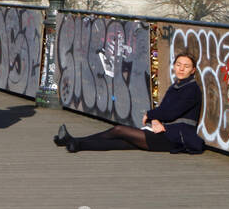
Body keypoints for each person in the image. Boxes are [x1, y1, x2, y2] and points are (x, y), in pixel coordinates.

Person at [55, 53, 205, 154]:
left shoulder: (191, 89)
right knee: (119, 142)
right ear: (174, 66)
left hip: (175, 138)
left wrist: (150, 114)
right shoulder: (177, 86)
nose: (181, 69)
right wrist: (155, 120)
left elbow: (172, 112)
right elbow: (165, 109)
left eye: (186, 66)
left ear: (193, 70)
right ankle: (76, 144)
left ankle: (72, 140)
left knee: (120, 130)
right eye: (178, 64)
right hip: (164, 133)